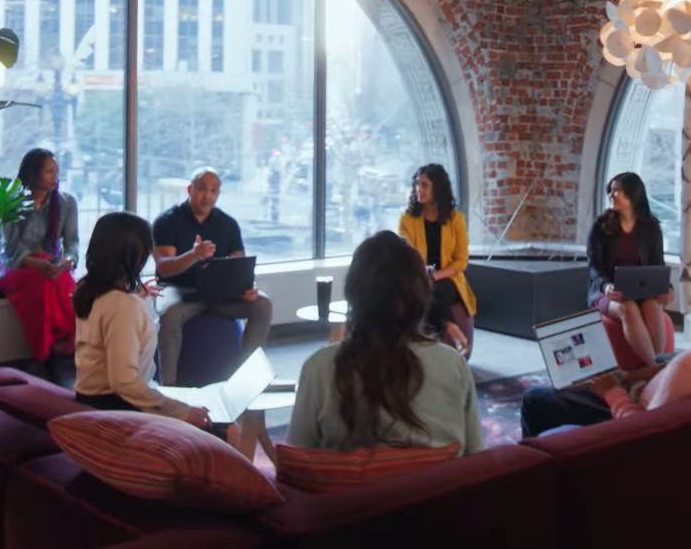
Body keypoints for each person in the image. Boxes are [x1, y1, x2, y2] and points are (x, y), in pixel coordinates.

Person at [520, 242, 691, 437]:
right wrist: (642, 374)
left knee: (535, 400)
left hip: (631, 423)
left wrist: (610, 392)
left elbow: (644, 432)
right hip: (652, 397)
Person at [289, 231, 482, 455]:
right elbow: (475, 459)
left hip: (350, 490)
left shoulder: (318, 368)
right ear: (421, 295)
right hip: (439, 488)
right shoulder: (453, 365)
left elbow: (295, 461)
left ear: (354, 296)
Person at [70, 212, 214, 430]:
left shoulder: (88, 289)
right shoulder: (123, 305)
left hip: (91, 401)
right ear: (134, 257)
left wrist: (132, 299)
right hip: (118, 412)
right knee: (227, 428)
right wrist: (182, 411)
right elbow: (124, 382)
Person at [151, 167, 274, 384]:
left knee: (262, 304)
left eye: (213, 191)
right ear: (190, 189)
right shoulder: (168, 221)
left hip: (219, 294)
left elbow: (239, 263)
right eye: (201, 189)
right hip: (180, 291)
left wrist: (247, 286)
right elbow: (163, 267)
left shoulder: (228, 224)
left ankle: (246, 381)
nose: (207, 195)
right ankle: (169, 387)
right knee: (170, 314)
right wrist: (193, 255)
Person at [0, 148, 79, 381]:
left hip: (51, 266)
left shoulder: (66, 202)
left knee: (64, 285)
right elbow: (8, 248)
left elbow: (72, 244)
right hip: (15, 266)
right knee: (43, 285)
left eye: (56, 171)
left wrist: (67, 262)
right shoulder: (13, 201)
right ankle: (46, 356)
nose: (54, 176)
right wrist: (35, 262)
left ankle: (56, 353)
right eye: (48, 171)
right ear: (33, 174)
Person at [585, 172, 671, 365]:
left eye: (617, 191)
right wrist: (606, 285)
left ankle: (657, 361)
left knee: (651, 306)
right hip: (605, 292)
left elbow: (658, 263)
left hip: (640, 291)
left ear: (633, 195)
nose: (611, 195)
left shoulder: (651, 227)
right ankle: (655, 368)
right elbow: (593, 266)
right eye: (610, 191)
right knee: (628, 309)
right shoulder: (600, 226)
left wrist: (667, 287)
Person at [395, 163, 472, 355]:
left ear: (438, 187)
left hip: (448, 279)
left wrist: (435, 276)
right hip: (417, 277)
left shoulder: (456, 219)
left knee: (434, 289)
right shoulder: (407, 219)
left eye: (424, 185)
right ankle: (453, 331)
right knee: (425, 290)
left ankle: (433, 349)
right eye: (416, 185)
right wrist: (424, 275)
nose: (418, 189)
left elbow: (461, 261)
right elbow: (405, 255)